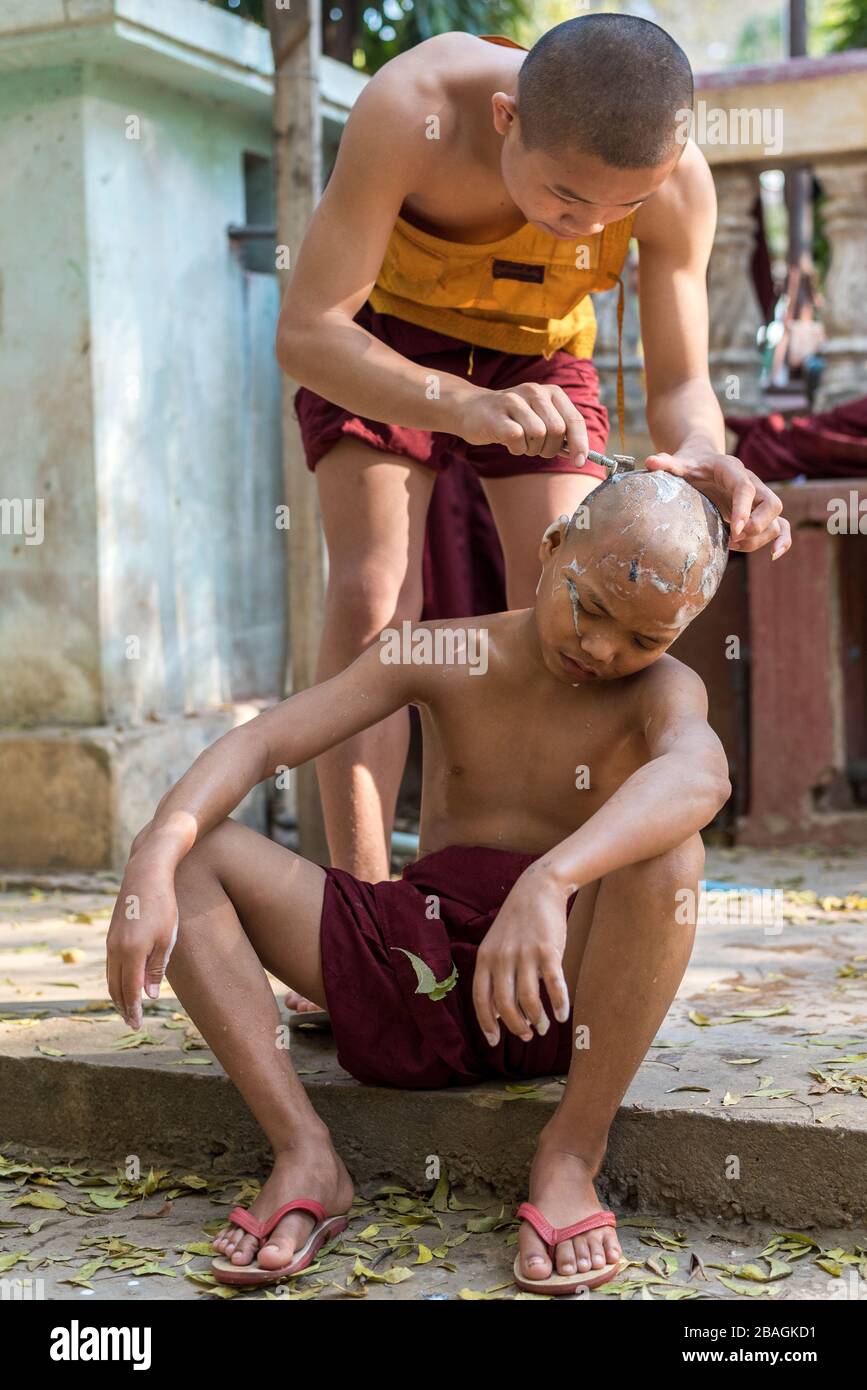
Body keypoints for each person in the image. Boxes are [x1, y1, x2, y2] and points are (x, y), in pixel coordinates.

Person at [106, 471, 733, 1295]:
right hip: (413, 955)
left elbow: (702, 776)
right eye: (588, 606)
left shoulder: (662, 691)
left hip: (554, 984)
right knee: (191, 855)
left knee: (671, 856)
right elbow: (263, 744)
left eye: (643, 638)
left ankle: (571, 1153)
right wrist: (154, 852)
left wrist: (550, 880)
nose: (604, 648)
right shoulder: (446, 649)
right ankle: (304, 1151)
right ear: (551, 549)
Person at [276, 13, 790, 889]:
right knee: (374, 598)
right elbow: (308, 333)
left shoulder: (676, 185)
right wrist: (466, 407)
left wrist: (705, 450)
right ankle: (360, 914)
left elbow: (677, 385)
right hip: (383, 342)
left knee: (572, 602)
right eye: (565, 198)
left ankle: (529, 893)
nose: (586, 227)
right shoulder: (414, 104)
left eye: (619, 208)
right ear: (507, 119)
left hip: (539, 353)